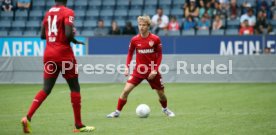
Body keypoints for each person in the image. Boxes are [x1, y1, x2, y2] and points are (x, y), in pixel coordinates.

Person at [21, 0, 95, 133]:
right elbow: (67, 34)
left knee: (46, 88)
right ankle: (78, 124)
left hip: (49, 54)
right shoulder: (68, 12)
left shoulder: (48, 13)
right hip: (64, 55)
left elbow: (43, 36)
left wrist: (64, 37)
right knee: (74, 87)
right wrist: (73, 36)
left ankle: (28, 117)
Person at [106, 15, 175, 118]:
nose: (141, 27)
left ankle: (165, 109)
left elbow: (159, 55)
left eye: (143, 25)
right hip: (139, 70)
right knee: (125, 91)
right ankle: (117, 112)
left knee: (161, 94)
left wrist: (155, 70)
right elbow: (130, 54)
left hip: (152, 71)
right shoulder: (134, 40)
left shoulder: (155, 39)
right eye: (139, 25)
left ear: (148, 26)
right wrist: (127, 67)